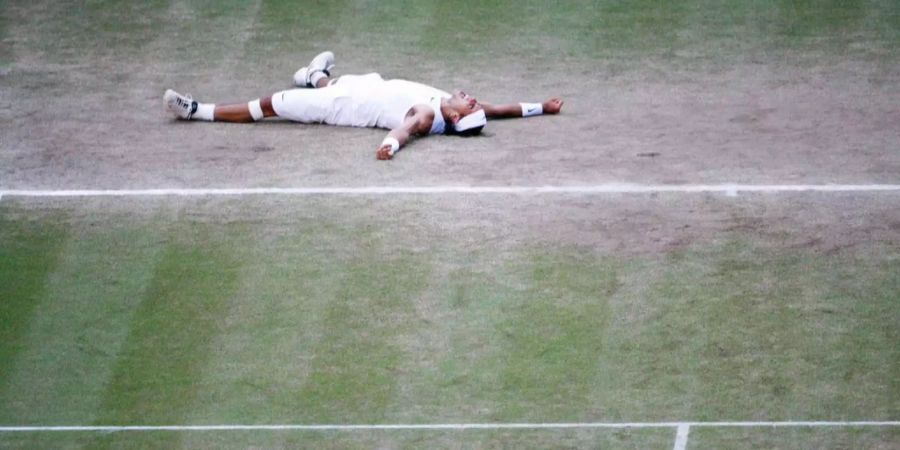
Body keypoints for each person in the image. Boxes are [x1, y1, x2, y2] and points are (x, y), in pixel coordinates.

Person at [164, 51, 563, 160]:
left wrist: (390, 146)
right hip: (366, 86)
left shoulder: (427, 115)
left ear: (454, 116)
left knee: (271, 104)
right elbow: (501, 110)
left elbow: (405, 130)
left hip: (342, 107)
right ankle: (313, 73)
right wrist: (542, 106)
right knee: (331, 79)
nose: (473, 97)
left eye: (467, 103)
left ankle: (197, 109)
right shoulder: (451, 106)